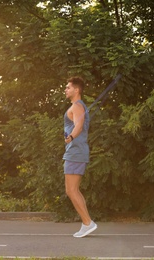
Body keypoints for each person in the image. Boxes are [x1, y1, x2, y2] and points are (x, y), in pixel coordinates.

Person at [63, 76, 97, 238]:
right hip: (77, 151)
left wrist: (70, 137)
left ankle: (87, 223)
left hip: (75, 151)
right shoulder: (79, 106)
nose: (66, 89)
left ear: (76, 90)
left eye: (68, 87)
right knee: (74, 190)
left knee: (70, 190)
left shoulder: (77, 106)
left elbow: (78, 125)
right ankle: (87, 223)